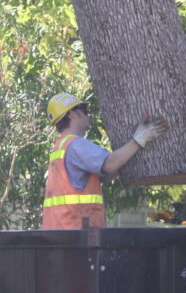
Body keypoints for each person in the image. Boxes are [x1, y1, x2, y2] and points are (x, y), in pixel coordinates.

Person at [42, 93, 169, 230]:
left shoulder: (61, 146)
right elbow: (109, 164)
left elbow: (107, 174)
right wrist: (139, 139)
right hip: (78, 233)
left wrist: (127, 154)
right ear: (72, 114)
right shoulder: (76, 145)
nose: (87, 115)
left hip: (64, 232)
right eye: (84, 111)